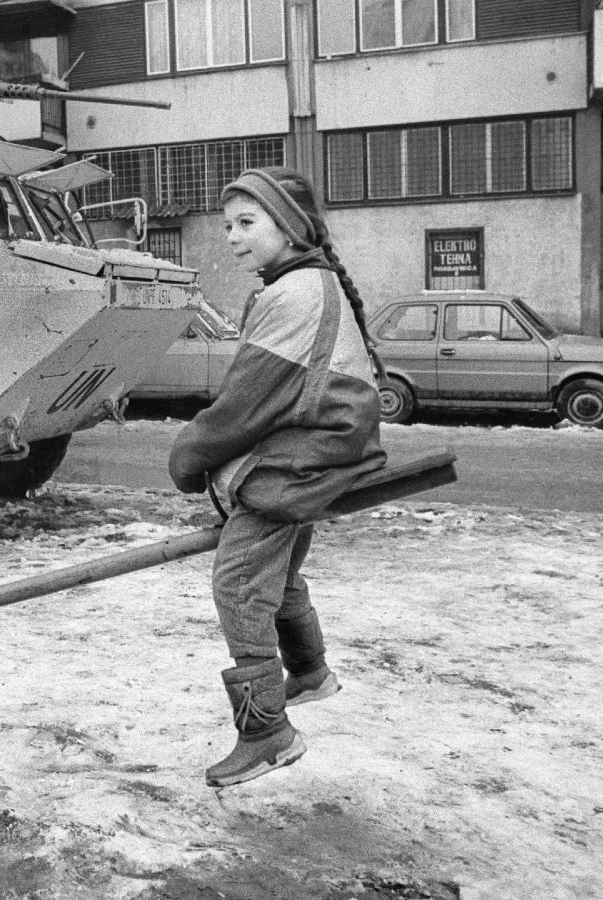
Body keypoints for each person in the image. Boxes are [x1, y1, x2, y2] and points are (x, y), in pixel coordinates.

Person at [167, 166, 386, 788]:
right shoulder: (304, 280)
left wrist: (188, 456)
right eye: (227, 226)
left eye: (246, 223)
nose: (232, 237)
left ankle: (266, 733)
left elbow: (243, 405)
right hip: (329, 439)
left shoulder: (293, 293)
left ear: (287, 226)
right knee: (279, 571)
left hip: (309, 452)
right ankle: (311, 673)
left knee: (239, 584)